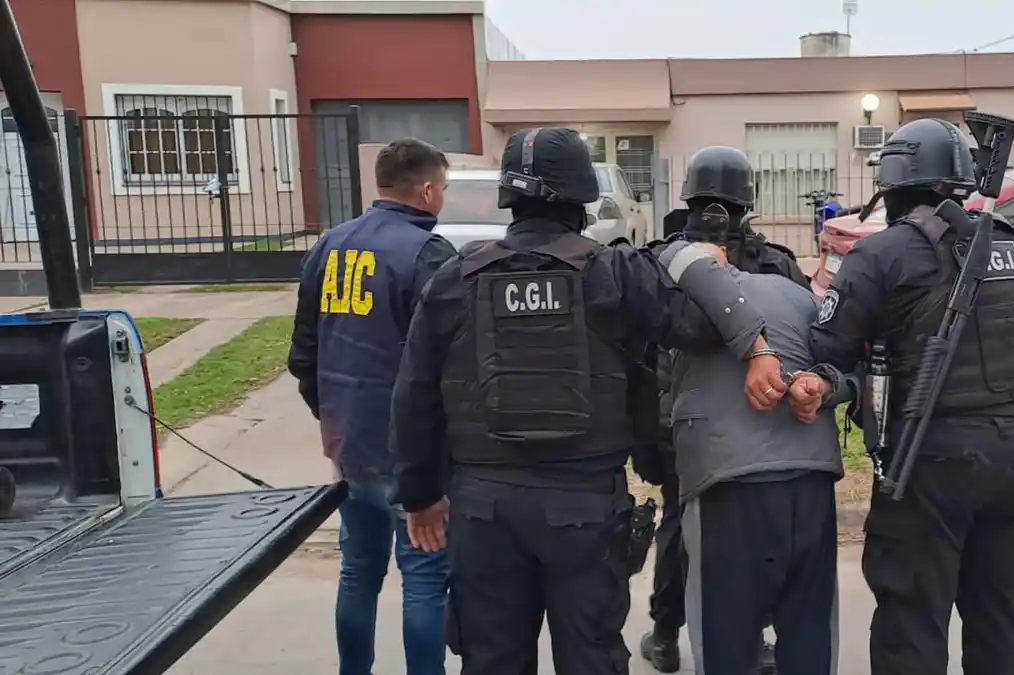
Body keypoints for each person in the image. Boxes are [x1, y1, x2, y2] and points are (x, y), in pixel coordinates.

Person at [388, 126, 788, 675]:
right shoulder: (614, 272)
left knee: (491, 660)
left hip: (483, 510)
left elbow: (413, 394)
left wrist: (419, 495)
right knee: (591, 659)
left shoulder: (455, 277)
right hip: (583, 506)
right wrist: (694, 261)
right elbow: (699, 327)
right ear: (581, 197)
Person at [805, 117, 1014, 675]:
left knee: (912, 620)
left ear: (891, 184)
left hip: (933, 456)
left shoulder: (883, 253)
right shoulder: (1007, 244)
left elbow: (828, 343)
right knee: (995, 611)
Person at [286, 138, 457, 675]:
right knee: (424, 577)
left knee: (359, 572)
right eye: (443, 188)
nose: (443, 197)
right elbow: (447, 368)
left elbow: (303, 354)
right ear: (426, 190)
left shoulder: (329, 245)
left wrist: (333, 420)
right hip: (410, 454)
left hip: (349, 448)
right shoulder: (428, 254)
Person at [639, 145, 807, 675]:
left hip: (680, 422)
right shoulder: (776, 263)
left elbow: (637, 351)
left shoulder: (661, 259)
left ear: (688, 196)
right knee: (748, 538)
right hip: (756, 422)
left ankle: (666, 635)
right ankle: (749, 639)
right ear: (747, 202)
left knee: (679, 526)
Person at [652, 236, 849, 675]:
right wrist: (824, 386)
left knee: (725, 639)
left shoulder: (681, 286)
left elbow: (678, 257)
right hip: (809, 479)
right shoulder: (793, 292)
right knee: (810, 631)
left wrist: (760, 351)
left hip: (727, 485)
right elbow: (846, 361)